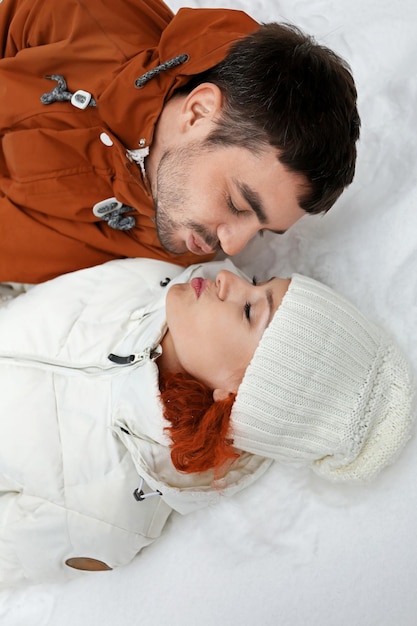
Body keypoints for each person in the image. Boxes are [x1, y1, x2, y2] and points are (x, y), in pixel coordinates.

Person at [0, 257, 413, 585]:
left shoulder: (105, 516)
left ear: (237, 394)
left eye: (249, 310)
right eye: (257, 280)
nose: (228, 281)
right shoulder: (152, 279)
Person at [0, 0, 360, 284]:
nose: (231, 246)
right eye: (237, 204)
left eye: (262, 232)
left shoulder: (180, 252)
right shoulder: (87, 16)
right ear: (199, 112)